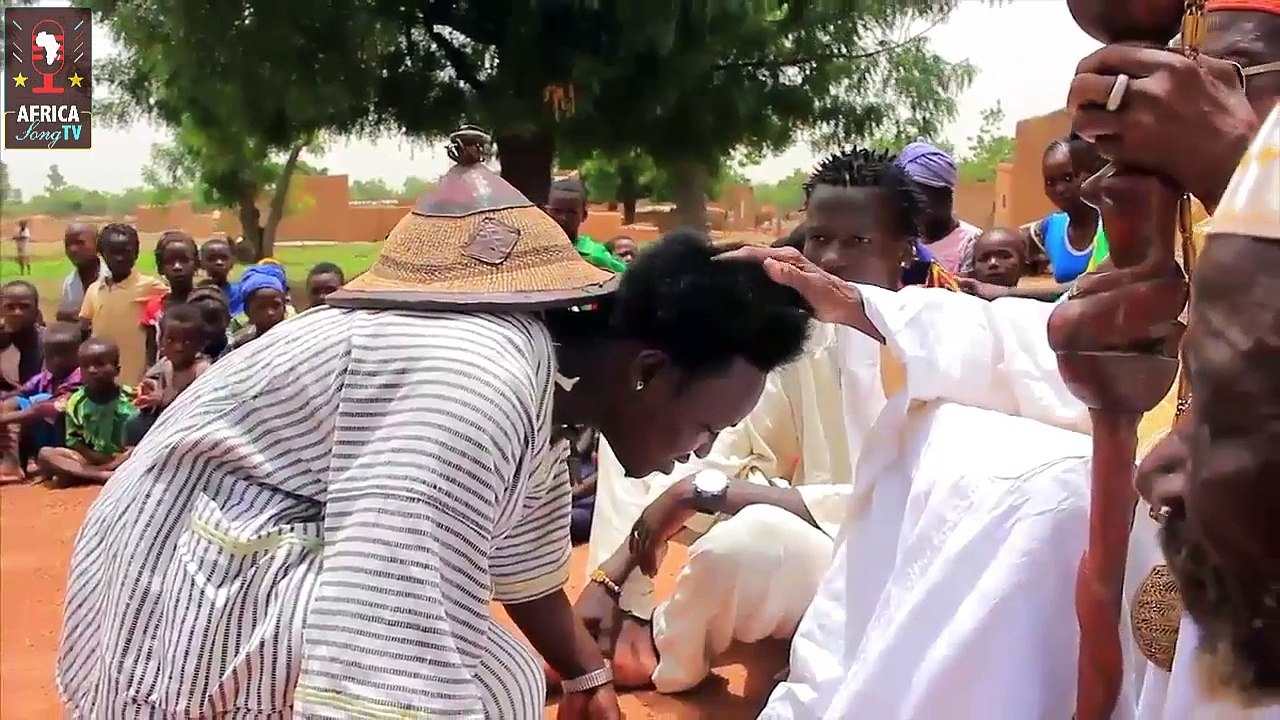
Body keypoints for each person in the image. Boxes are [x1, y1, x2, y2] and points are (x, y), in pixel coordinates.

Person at [54, 136, 811, 720]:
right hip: (173, 595)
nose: (702, 451)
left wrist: (585, 672)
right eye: (708, 424)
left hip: (216, 576)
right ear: (648, 371)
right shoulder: (480, 379)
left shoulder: (551, 376)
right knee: (451, 672)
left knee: (502, 678)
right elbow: (383, 614)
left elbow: (526, 564)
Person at [578, 147, 934, 694]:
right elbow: (724, 459)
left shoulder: (940, 343)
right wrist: (621, 568)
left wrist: (721, 494)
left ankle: (670, 651)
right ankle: (624, 621)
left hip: (901, 573)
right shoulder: (799, 338)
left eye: (856, 242)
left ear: (903, 249)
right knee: (644, 437)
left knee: (752, 540)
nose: (832, 258)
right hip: (810, 543)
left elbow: (911, 503)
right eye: (819, 238)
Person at [36, 338, 137, 487]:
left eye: (100, 364)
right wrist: (97, 461)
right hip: (89, 460)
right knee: (45, 454)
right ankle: (100, 475)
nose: (92, 370)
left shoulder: (131, 398)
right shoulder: (76, 401)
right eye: (85, 366)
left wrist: (117, 460)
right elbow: (74, 441)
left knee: (137, 452)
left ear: (117, 369)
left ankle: (81, 475)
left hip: (123, 458)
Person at [78, 224, 168, 386]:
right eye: (112, 253)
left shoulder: (152, 287)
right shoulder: (94, 290)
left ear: (136, 253)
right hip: (102, 382)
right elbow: (84, 330)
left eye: (125, 252)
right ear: (102, 255)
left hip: (138, 381)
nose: (119, 258)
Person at [0, 323, 82, 482]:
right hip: (46, 435)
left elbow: (46, 409)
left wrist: (4, 419)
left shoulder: (80, 378)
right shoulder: (47, 376)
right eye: (51, 355)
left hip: (72, 440)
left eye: (63, 355)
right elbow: (22, 391)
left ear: (78, 354)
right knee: (11, 402)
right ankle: (12, 464)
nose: (57, 360)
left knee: (40, 401)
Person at [127, 305, 212, 445]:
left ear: (200, 344)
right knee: (133, 424)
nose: (178, 348)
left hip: (185, 431)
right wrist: (149, 391)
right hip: (162, 425)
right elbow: (153, 385)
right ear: (160, 342)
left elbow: (199, 408)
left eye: (187, 342)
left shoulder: (201, 370)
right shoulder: (165, 364)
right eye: (170, 340)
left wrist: (164, 400)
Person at [895, 140, 982, 275]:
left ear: (946, 198)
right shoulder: (901, 240)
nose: (912, 205)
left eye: (921, 197)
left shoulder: (972, 242)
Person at [546, 177, 628, 273]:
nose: (563, 217)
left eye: (571, 212)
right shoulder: (534, 251)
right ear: (545, 212)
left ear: (584, 215)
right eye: (556, 211)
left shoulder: (596, 256)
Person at [141, 231, 199, 365]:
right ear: (160, 267)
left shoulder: (206, 304)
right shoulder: (154, 307)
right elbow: (151, 352)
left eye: (184, 260)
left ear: (196, 263)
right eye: (170, 261)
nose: (177, 267)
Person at [230, 263, 290, 349]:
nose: (270, 313)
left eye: (276, 305)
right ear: (247, 311)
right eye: (261, 307)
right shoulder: (242, 346)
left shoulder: (295, 338)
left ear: (284, 306)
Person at [56, 223, 107, 324]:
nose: (72, 249)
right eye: (68, 244)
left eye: (79, 243)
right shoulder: (69, 283)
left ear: (98, 245)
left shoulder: (114, 277)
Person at [0, 281, 44, 385]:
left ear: (36, 312)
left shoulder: (49, 345)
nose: (17, 313)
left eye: (24, 306)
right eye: (10, 307)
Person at [187, 285, 234, 361]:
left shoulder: (239, 351)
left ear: (227, 319)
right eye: (200, 321)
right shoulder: (181, 357)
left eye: (213, 320)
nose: (207, 328)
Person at [199, 237, 242, 315]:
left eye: (224, 258)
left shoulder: (239, 293)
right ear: (201, 263)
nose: (219, 262)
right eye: (211, 258)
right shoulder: (195, 293)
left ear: (232, 263)